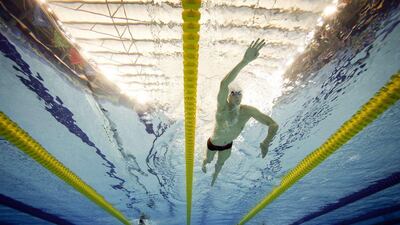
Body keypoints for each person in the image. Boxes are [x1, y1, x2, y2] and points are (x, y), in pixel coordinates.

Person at [202, 39, 279, 186]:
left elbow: (273, 124)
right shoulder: (222, 108)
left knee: (220, 165)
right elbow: (224, 84)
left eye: (240, 93)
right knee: (210, 160)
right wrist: (245, 61)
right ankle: (205, 164)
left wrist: (266, 142)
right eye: (234, 93)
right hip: (214, 143)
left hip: (227, 145)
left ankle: (214, 178)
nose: (237, 96)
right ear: (229, 96)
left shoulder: (247, 111)